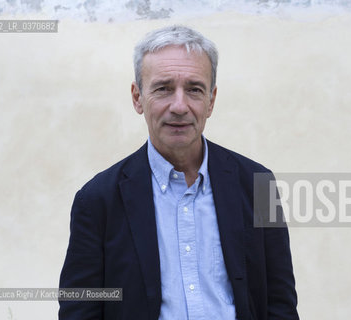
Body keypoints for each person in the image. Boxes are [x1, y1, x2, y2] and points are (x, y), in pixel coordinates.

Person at [59, 25, 299, 320]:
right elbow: (79, 310)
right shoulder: (97, 201)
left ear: (211, 101)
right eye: (163, 88)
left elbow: (280, 303)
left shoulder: (259, 185)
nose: (179, 106)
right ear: (137, 97)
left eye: (195, 90)